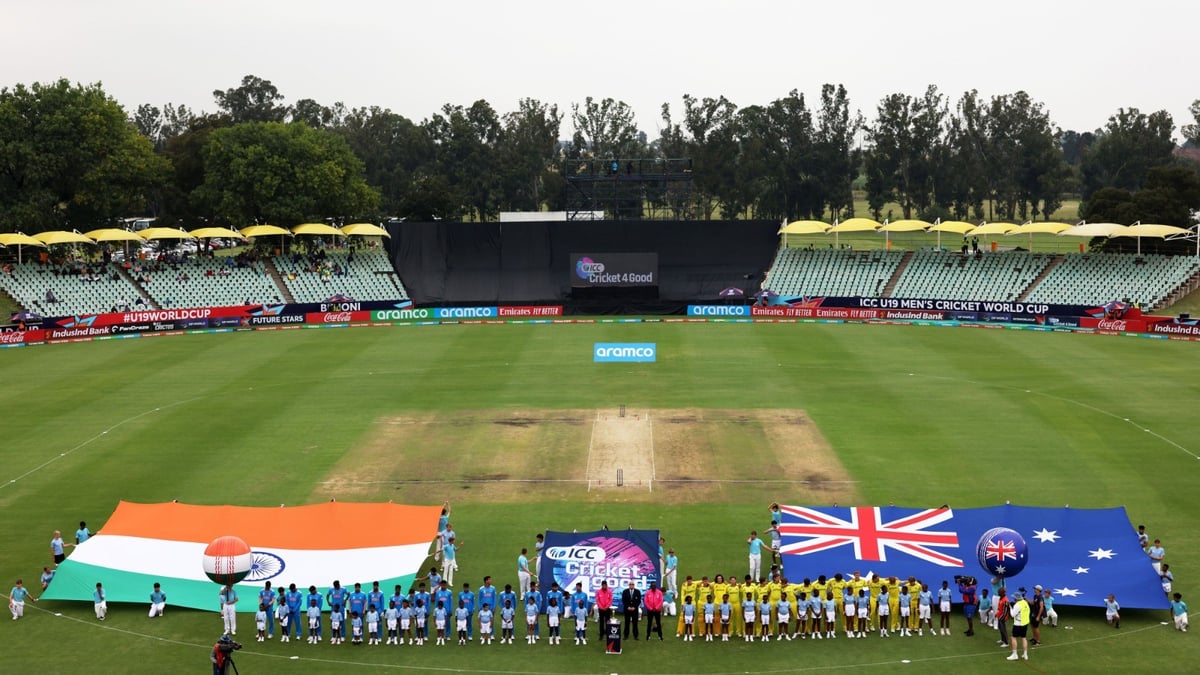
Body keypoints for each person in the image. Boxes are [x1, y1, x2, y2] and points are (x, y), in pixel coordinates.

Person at [1007, 588, 1031, 661]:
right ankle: (1025, 654)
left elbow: (1012, 615)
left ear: (1016, 598)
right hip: (1025, 623)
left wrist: (1010, 607)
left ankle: (1014, 654)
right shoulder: (1025, 602)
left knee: (1013, 638)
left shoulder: (1017, 605)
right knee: (1023, 638)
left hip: (1018, 624)